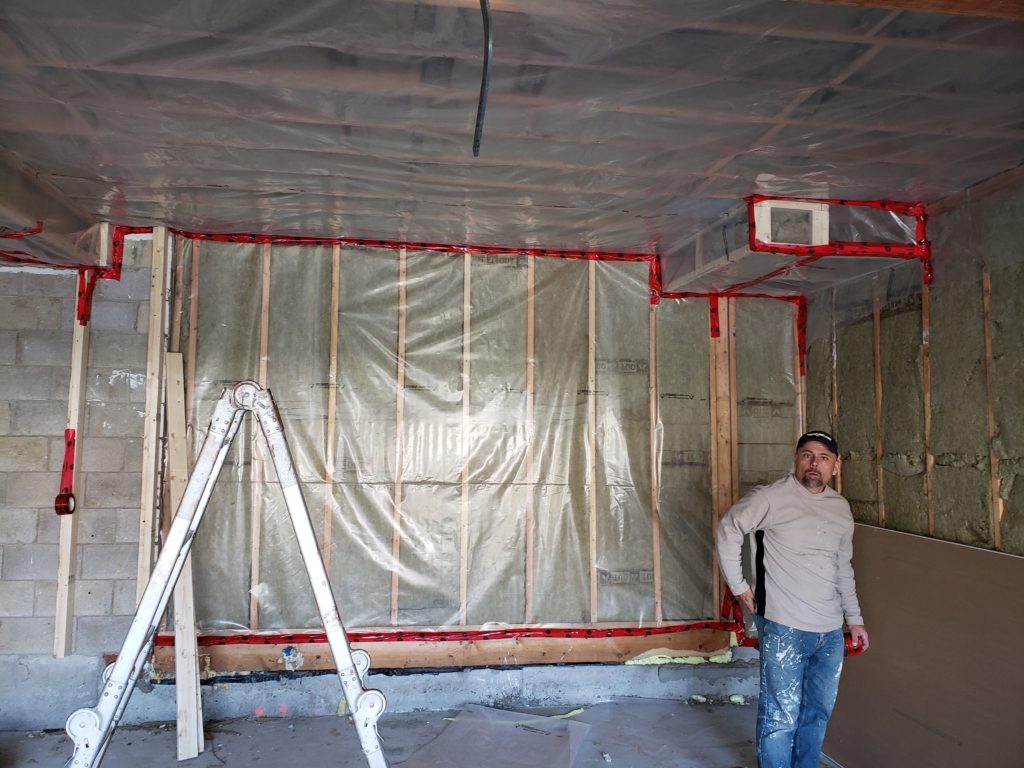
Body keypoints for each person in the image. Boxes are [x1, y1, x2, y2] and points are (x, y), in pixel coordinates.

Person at [716, 430, 869, 768]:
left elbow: (843, 566)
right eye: (807, 455)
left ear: (836, 466)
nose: (814, 464)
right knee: (780, 716)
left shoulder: (840, 508)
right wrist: (740, 586)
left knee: (817, 713)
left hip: (829, 633)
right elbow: (728, 528)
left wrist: (854, 619)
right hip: (784, 626)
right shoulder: (770, 498)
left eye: (824, 458)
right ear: (796, 458)